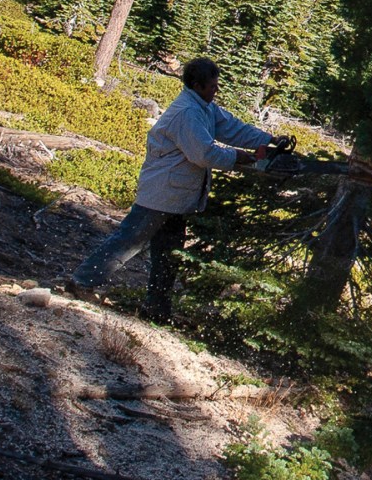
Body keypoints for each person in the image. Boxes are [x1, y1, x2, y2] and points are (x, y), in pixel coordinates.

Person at [64, 57, 291, 322]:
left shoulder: (204, 107)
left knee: (168, 255)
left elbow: (231, 127)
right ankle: (82, 281)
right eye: (212, 86)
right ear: (197, 85)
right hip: (162, 192)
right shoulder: (187, 112)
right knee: (129, 240)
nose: (216, 90)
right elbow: (203, 153)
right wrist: (241, 157)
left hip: (178, 197)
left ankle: (157, 310)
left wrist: (268, 140)